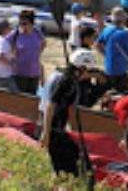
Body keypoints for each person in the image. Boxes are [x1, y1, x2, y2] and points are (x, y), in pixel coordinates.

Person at [40, 49, 107, 177]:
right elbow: (50, 105)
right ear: (81, 68)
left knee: (74, 160)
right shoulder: (66, 82)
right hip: (53, 129)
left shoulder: (70, 79)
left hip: (58, 128)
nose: (89, 73)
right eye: (87, 70)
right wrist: (46, 133)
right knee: (68, 169)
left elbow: (69, 108)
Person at [94, 6, 128, 93]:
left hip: (108, 68)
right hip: (121, 69)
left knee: (108, 94)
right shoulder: (125, 33)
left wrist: (106, 54)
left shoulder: (107, 30)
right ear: (123, 20)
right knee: (122, 94)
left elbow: (97, 45)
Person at [9, 9, 46, 94]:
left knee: (32, 98)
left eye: (24, 24)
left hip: (34, 73)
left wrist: (37, 54)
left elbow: (44, 43)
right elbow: (3, 44)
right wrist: (12, 57)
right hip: (20, 73)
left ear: (31, 23)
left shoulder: (37, 33)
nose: (22, 26)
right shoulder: (16, 34)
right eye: (20, 23)